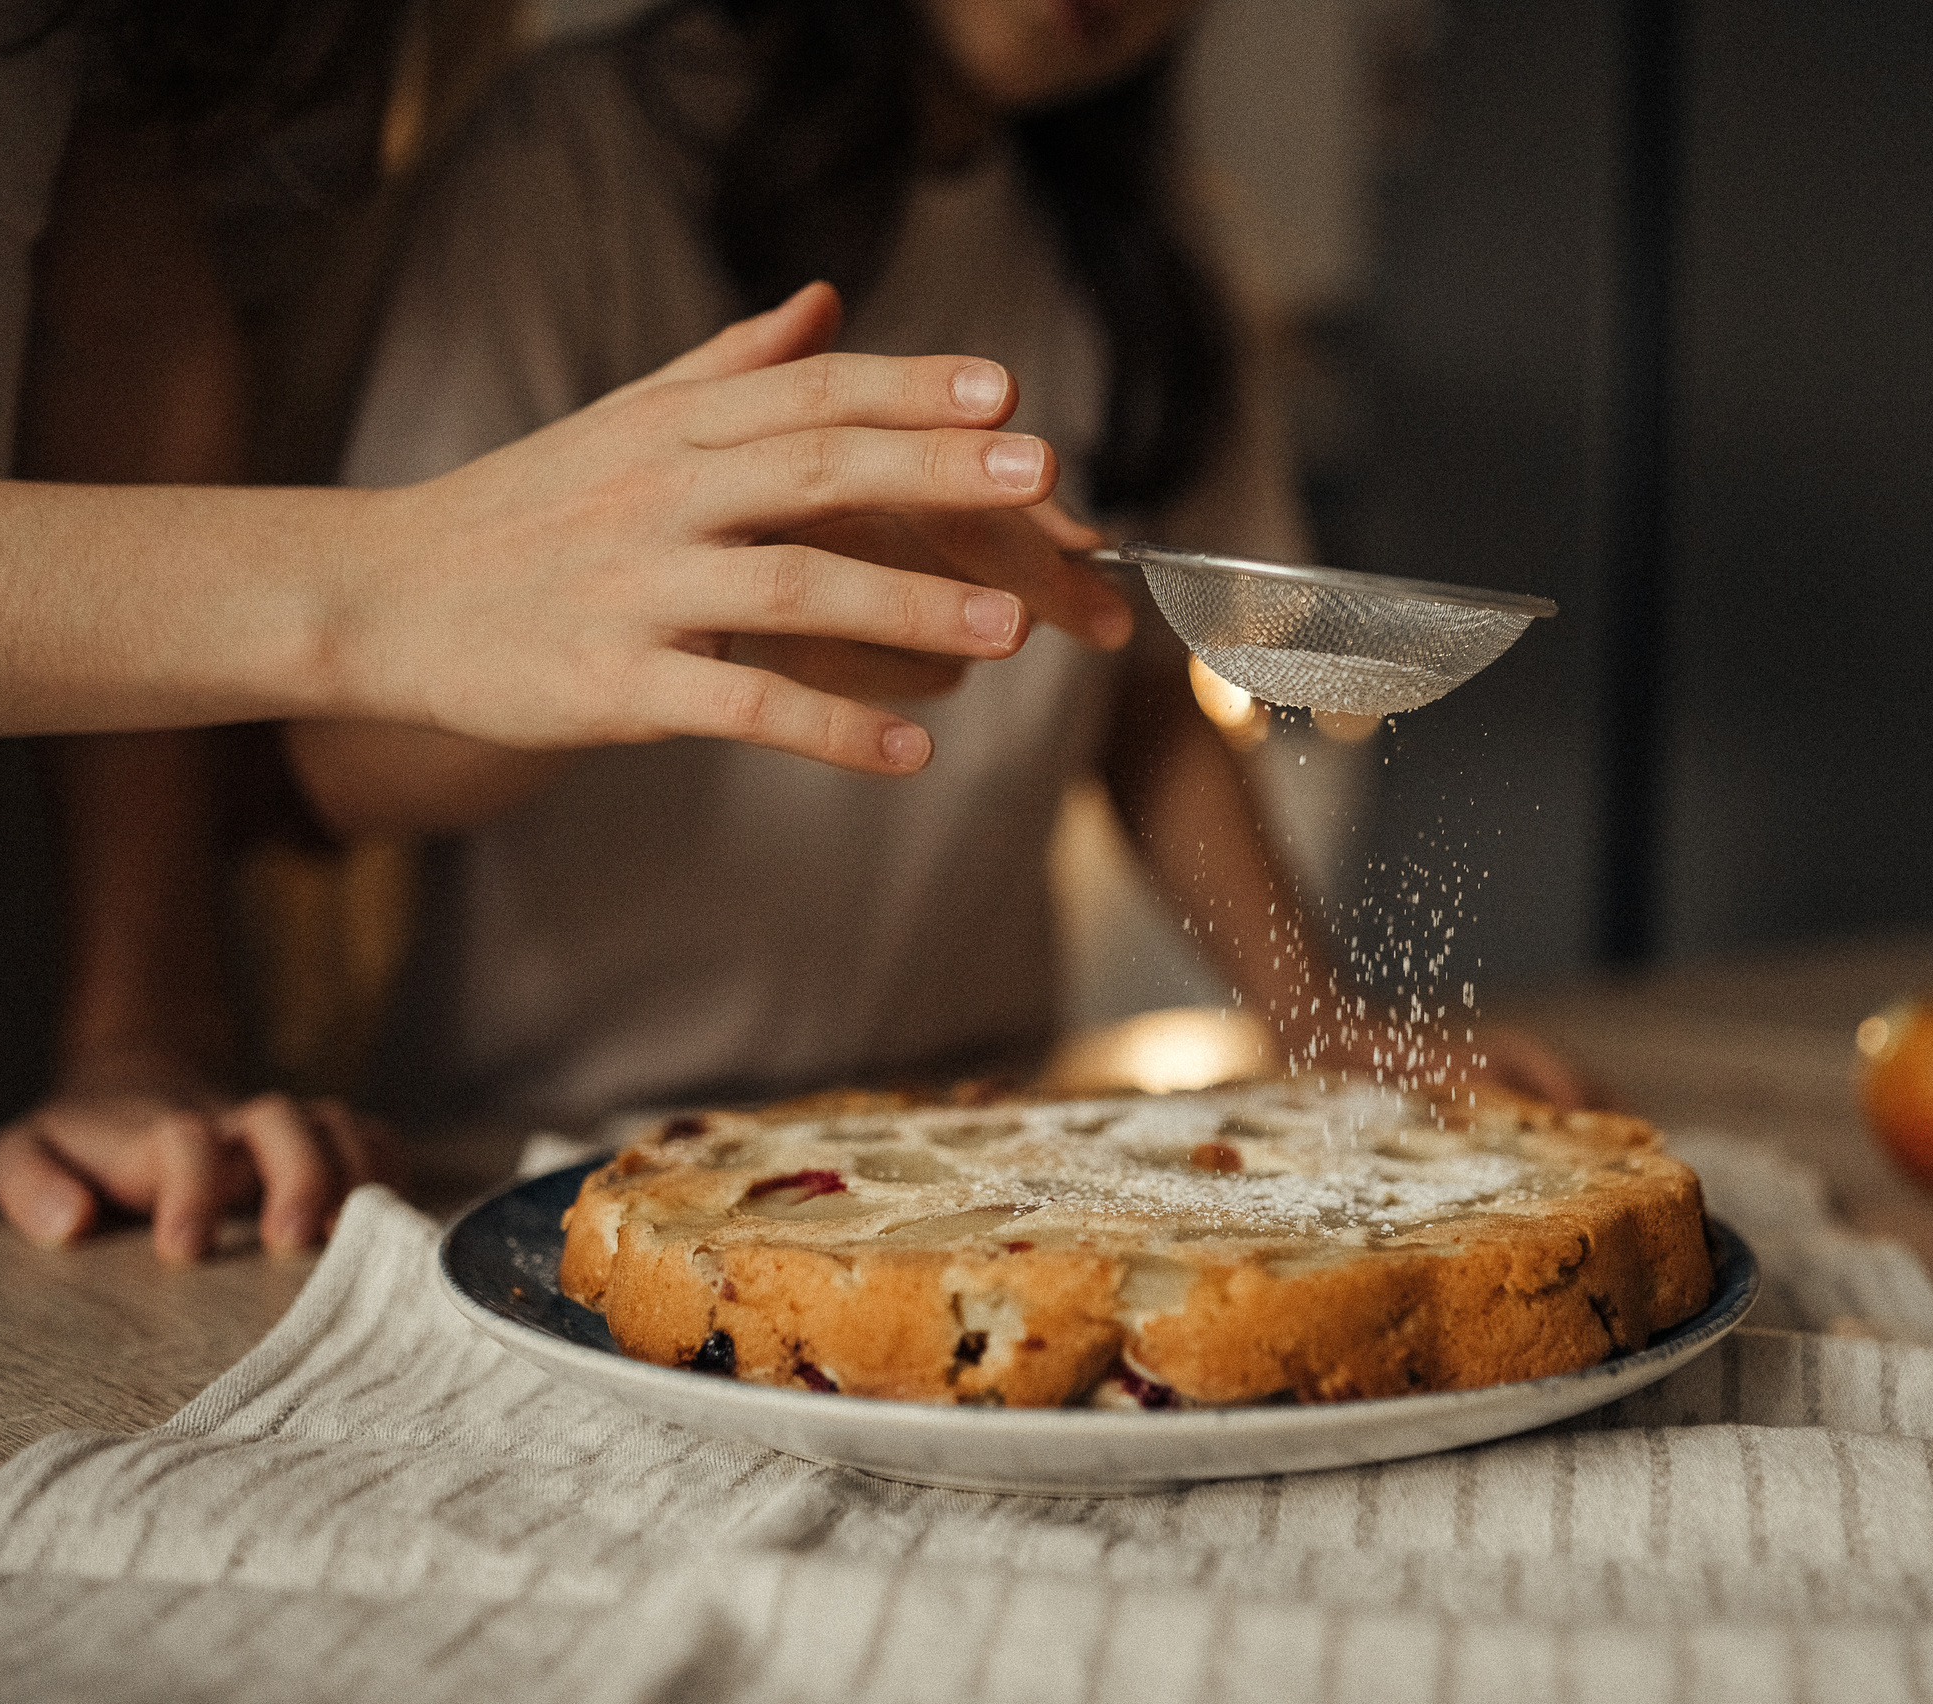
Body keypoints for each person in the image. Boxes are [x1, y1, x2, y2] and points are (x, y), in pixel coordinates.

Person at [0, 0, 1119, 1256]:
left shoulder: (1108, 246)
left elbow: (122, 320)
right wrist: (390, 582)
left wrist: (142, 1035)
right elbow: (314, 767)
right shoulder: (577, 145)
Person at [285, 0, 1584, 1123]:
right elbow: (349, 762)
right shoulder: (571, 157)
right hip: (543, 1134)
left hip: (970, 1117)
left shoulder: (1144, 272)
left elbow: (1140, 707)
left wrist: (1318, 1022)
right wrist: (708, 611)